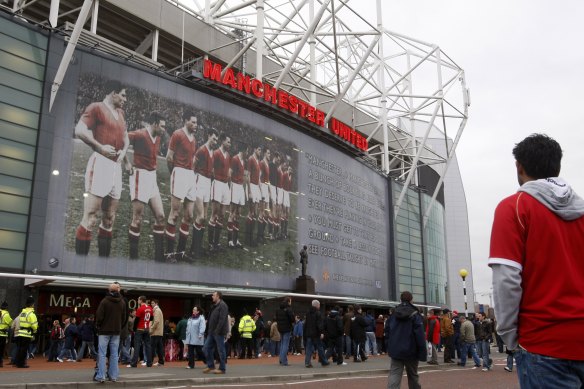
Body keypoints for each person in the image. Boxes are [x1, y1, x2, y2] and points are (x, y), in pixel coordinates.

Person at [489, 133, 584, 388]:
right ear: (558, 166)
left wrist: (510, 336)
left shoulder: (515, 207)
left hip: (543, 342)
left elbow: (506, 280)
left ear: (519, 167)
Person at [74, 80, 130, 256]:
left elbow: (125, 138)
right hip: (100, 164)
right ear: (113, 93)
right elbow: (79, 130)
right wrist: (100, 147)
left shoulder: (121, 113)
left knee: (109, 219)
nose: (125, 99)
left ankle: (102, 265)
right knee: (90, 217)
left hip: (116, 167)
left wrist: (124, 155)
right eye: (123, 95)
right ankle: (80, 265)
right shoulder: (96, 107)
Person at [127, 111, 167, 261]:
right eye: (162, 126)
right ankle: (133, 259)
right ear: (155, 124)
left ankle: (159, 259)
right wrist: (126, 162)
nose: (164, 129)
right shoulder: (140, 134)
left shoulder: (158, 137)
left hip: (152, 178)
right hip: (140, 176)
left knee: (160, 217)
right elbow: (122, 139)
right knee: (137, 219)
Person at [164, 112, 198, 262]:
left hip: (190, 175)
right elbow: (169, 157)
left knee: (189, 216)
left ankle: (180, 252)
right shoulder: (177, 134)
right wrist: (174, 173)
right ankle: (169, 253)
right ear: (185, 121)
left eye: (197, 123)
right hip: (179, 172)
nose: (196, 125)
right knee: (175, 214)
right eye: (193, 122)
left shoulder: (194, 139)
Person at [386, 291, 426, 389]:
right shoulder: (416, 315)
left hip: (396, 350)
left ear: (401, 300)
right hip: (411, 351)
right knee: (413, 375)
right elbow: (420, 335)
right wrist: (422, 353)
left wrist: (389, 346)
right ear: (411, 300)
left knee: (394, 374)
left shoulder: (393, 315)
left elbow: (387, 332)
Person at [191, 128, 219, 257]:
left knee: (205, 218)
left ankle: (199, 247)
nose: (215, 141)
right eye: (213, 139)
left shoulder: (212, 151)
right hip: (199, 182)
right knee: (200, 216)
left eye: (216, 140)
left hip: (208, 183)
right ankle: (194, 248)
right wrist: (192, 182)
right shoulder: (202, 150)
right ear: (208, 136)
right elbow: (193, 165)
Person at [94, 283, 127, 383]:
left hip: (104, 331)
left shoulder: (104, 301)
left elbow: (99, 316)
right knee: (114, 354)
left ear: (109, 291)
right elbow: (124, 318)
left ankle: (101, 376)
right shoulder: (122, 302)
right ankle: (113, 376)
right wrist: (119, 327)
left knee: (102, 353)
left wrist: (98, 326)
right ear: (118, 291)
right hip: (116, 331)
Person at [207, 133, 231, 252]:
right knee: (214, 214)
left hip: (225, 186)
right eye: (228, 142)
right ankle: (210, 243)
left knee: (222, 216)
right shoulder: (216, 153)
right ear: (222, 141)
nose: (229, 144)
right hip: (217, 183)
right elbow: (211, 169)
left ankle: (216, 243)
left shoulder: (228, 155)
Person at [202, 291, 229, 374]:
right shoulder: (214, 306)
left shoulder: (223, 305)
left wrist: (217, 331)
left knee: (221, 350)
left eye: (213, 295)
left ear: (218, 296)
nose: (212, 297)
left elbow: (222, 320)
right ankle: (211, 365)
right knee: (206, 348)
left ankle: (222, 368)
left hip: (218, 332)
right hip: (211, 332)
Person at [226, 144, 247, 249]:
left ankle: (236, 239)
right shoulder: (235, 159)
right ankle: (229, 241)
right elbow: (229, 174)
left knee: (238, 214)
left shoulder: (243, 161)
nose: (247, 153)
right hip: (234, 186)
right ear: (243, 150)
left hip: (240, 188)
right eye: (246, 151)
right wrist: (230, 188)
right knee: (232, 213)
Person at [128, 296, 152, 368]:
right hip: (146, 329)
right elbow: (151, 319)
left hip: (140, 329)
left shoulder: (140, 309)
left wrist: (134, 330)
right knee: (148, 346)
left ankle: (134, 363)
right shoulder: (150, 308)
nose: (137, 301)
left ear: (141, 300)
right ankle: (149, 363)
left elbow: (136, 321)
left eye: (138, 300)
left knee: (137, 346)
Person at [303, 299, 329, 368]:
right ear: (317, 305)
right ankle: (324, 361)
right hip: (316, 334)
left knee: (308, 349)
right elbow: (319, 324)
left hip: (309, 334)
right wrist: (322, 332)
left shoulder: (308, 313)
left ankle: (307, 363)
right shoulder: (318, 313)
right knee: (320, 348)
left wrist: (305, 333)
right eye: (319, 305)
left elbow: (306, 324)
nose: (319, 306)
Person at [14, 296, 37, 368]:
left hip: (20, 333)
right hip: (26, 334)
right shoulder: (31, 314)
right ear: (32, 304)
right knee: (24, 350)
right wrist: (35, 331)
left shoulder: (22, 313)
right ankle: (22, 364)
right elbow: (34, 325)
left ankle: (18, 363)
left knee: (20, 349)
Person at [275, 296, 294, 366]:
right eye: (290, 301)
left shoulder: (278, 310)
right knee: (285, 345)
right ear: (288, 301)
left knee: (282, 344)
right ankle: (283, 361)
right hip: (287, 328)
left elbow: (276, 319)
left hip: (280, 328)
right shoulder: (289, 309)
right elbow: (292, 319)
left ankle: (281, 360)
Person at [150, 299, 165, 366]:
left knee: (152, 347)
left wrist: (151, 329)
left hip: (155, 332)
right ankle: (161, 361)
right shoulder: (158, 310)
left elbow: (156, 321)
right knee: (159, 347)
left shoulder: (157, 310)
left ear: (156, 303)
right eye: (151, 303)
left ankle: (150, 361)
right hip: (159, 332)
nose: (151, 304)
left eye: (153, 303)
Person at [0, 301, 12, 368]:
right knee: (1, 349)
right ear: (6, 308)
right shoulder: (6, 314)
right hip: (2, 335)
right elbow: (11, 323)